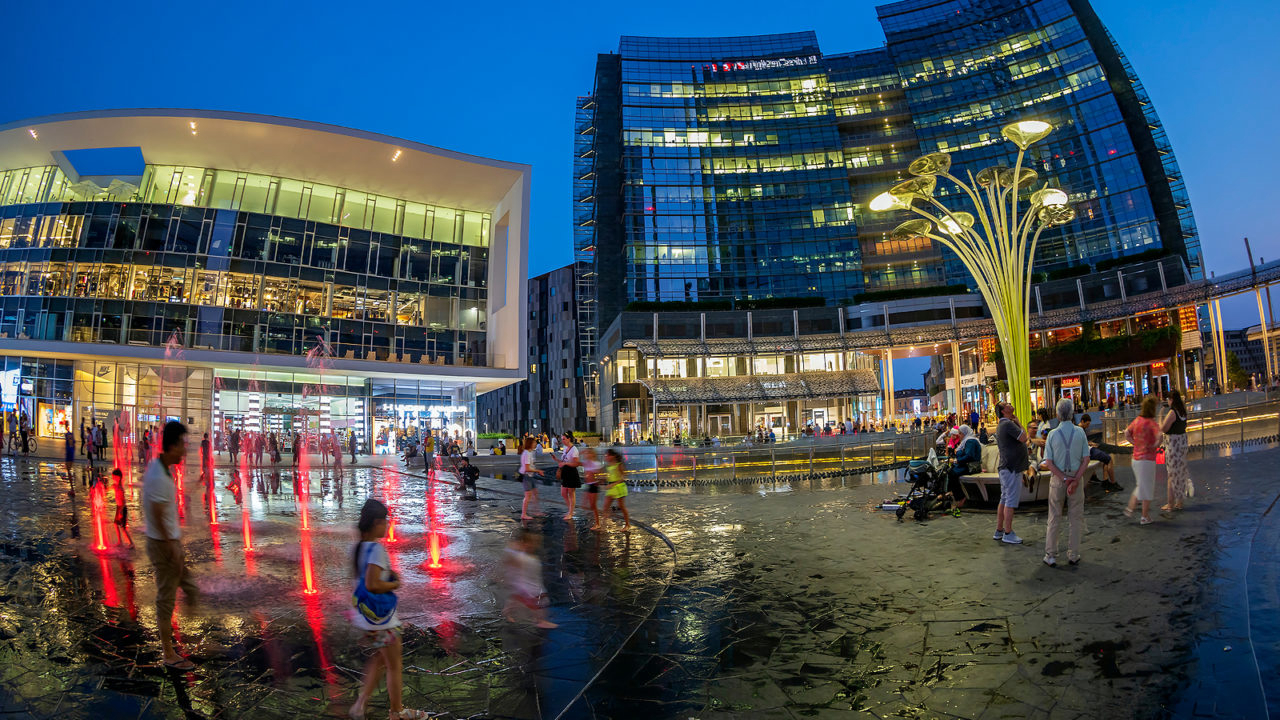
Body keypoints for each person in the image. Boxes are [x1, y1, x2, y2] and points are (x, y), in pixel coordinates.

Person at [348, 499, 428, 720]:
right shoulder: (376, 549)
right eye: (385, 522)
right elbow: (373, 583)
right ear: (376, 522)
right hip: (381, 619)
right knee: (394, 664)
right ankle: (397, 712)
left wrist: (387, 576)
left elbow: (366, 579)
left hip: (366, 615)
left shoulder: (359, 547)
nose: (387, 526)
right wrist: (395, 584)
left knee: (380, 659)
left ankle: (360, 704)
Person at [142, 421, 200, 670]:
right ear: (173, 445)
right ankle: (169, 654)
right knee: (165, 599)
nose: (185, 451)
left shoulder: (162, 470)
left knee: (191, 588)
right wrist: (170, 548)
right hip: (162, 546)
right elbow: (155, 514)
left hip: (169, 543)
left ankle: (189, 610)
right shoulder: (158, 476)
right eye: (183, 446)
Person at [1042, 399, 1089, 567]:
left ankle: (1051, 554)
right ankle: (1073, 553)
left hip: (1058, 481)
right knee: (1076, 517)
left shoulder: (1052, 434)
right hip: (1077, 479)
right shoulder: (1080, 432)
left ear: (1057, 414)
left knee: (1054, 516)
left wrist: (1064, 478)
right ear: (1072, 413)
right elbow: (1086, 459)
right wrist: (1075, 480)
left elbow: (1048, 462)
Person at [503, 528, 556, 629]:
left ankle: (506, 612)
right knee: (541, 603)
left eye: (537, 542)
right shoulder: (522, 558)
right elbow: (509, 560)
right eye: (532, 542)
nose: (535, 545)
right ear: (523, 543)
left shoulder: (527, 557)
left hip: (524, 585)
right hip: (527, 587)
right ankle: (540, 621)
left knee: (515, 598)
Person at [994, 402, 1029, 545]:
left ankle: (999, 530)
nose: (1010, 404)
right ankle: (1008, 532)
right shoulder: (1008, 424)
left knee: (1004, 498)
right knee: (1010, 500)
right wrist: (1019, 422)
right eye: (1007, 404)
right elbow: (1023, 437)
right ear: (1003, 411)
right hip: (1012, 468)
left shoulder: (1003, 425)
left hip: (1006, 467)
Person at [1124, 395, 1162, 525]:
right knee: (1147, 488)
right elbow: (1160, 436)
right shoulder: (1151, 423)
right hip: (1147, 459)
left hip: (1136, 459)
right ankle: (1144, 516)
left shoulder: (1137, 420)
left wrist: (1134, 443)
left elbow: (1126, 433)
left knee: (1141, 485)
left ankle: (1130, 508)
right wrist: (1155, 445)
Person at [1160, 390, 1190, 512]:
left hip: (1173, 445)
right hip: (1182, 444)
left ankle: (1170, 504)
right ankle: (1179, 502)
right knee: (1180, 474)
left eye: (1168, 399)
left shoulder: (1172, 412)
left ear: (1171, 400)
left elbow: (1163, 428)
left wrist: (1160, 416)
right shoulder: (1182, 411)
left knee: (1171, 475)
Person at [1077, 414, 1119, 491]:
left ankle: (1097, 477)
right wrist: (1089, 444)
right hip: (1088, 451)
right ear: (1082, 421)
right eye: (1087, 424)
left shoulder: (1079, 429)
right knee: (1108, 459)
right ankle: (1112, 482)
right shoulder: (1080, 430)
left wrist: (1089, 443)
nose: (1088, 426)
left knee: (1104, 460)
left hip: (1087, 450)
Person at [946, 425, 980, 510]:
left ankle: (960, 497)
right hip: (965, 465)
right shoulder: (966, 441)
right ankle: (952, 493)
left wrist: (957, 460)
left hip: (970, 466)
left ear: (965, 433)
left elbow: (969, 456)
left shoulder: (970, 441)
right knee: (949, 471)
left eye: (960, 434)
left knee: (952, 473)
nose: (959, 436)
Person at [603, 449, 631, 531]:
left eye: (607, 455)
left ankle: (627, 524)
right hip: (611, 487)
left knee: (622, 507)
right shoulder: (608, 465)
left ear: (613, 456)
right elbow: (610, 476)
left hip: (619, 487)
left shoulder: (619, 465)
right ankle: (604, 523)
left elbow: (623, 477)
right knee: (605, 506)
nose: (606, 457)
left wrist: (613, 484)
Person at [557, 432, 582, 521]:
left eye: (564, 439)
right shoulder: (565, 448)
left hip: (571, 472)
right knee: (563, 493)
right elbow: (563, 460)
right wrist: (557, 460)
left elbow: (576, 464)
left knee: (571, 493)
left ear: (569, 439)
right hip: (565, 471)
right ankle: (570, 510)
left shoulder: (574, 450)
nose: (562, 440)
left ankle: (571, 512)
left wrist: (565, 463)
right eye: (562, 439)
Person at [518, 437, 543, 520]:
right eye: (534, 443)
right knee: (528, 496)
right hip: (527, 476)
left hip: (531, 475)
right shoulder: (527, 454)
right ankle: (523, 514)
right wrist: (538, 471)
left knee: (535, 493)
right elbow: (527, 468)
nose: (535, 444)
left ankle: (536, 511)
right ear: (530, 444)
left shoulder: (531, 452)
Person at [580, 447, 604, 531]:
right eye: (586, 453)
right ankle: (597, 521)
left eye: (589, 453)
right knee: (589, 506)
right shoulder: (586, 463)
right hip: (588, 485)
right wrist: (581, 453)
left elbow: (601, 475)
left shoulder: (596, 464)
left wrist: (596, 476)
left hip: (594, 485)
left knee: (593, 505)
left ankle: (597, 523)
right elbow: (575, 462)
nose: (587, 454)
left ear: (593, 454)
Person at [111, 468, 134, 548]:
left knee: (123, 527)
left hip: (122, 509)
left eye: (114, 476)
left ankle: (131, 543)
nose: (113, 478)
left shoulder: (120, 488)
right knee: (115, 524)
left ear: (119, 477)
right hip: (118, 508)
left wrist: (120, 511)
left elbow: (124, 501)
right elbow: (107, 489)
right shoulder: (115, 486)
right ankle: (120, 541)